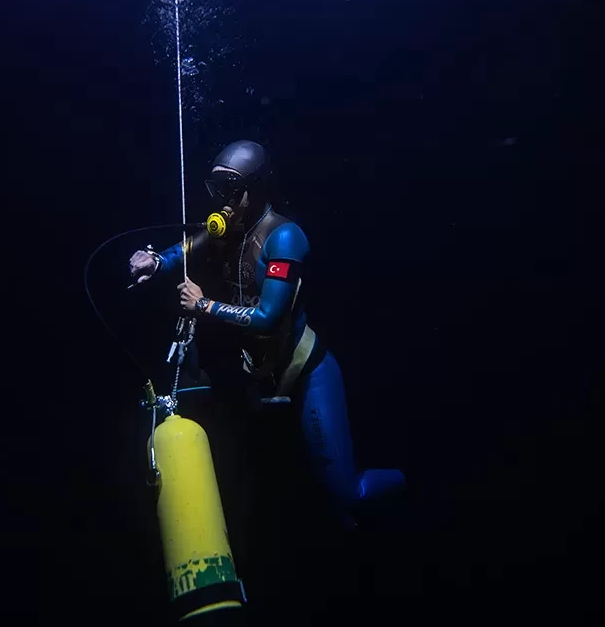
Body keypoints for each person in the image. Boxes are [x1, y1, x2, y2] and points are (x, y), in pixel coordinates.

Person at [129, 139, 404, 530]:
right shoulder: (230, 227)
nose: (221, 200)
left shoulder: (285, 237)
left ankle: (411, 479)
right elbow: (189, 246)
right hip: (256, 375)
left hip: (302, 371)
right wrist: (156, 262)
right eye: (215, 188)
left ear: (255, 189)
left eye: (230, 189)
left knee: (347, 494)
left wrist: (204, 305)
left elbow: (269, 317)